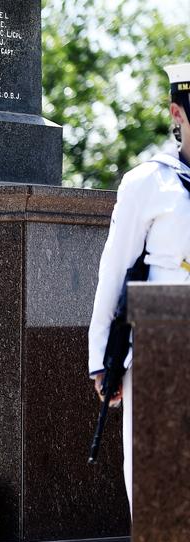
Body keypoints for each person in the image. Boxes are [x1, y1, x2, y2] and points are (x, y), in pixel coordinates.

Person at [89, 62, 190, 511]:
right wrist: (101, 357)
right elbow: (114, 269)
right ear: (177, 114)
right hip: (163, 326)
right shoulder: (150, 182)